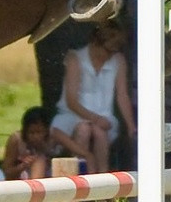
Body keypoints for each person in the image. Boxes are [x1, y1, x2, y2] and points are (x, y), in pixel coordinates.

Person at [50, 23, 135, 174]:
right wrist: (95, 119)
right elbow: (71, 101)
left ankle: (102, 180)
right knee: (84, 130)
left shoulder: (118, 60)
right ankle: (79, 175)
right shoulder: (75, 58)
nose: (110, 54)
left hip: (104, 119)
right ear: (96, 42)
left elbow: (122, 95)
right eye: (108, 50)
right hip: (72, 116)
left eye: (115, 50)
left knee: (99, 133)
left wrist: (131, 126)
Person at [3, 106, 55, 183]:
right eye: (31, 133)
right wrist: (23, 166)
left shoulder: (54, 137)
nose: (35, 137)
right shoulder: (16, 140)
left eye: (39, 132)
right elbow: (7, 173)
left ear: (47, 130)